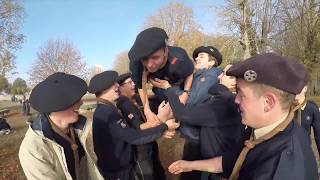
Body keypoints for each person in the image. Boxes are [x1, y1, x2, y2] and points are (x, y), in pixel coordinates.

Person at [168, 53, 319, 180]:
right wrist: (189, 165)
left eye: (242, 94)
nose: (236, 99)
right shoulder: (268, 131)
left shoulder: (279, 169)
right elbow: (233, 160)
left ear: (268, 102)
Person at [151, 65, 243, 180]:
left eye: (224, 74)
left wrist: (168, 88)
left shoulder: (224, 103)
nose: (219, 75)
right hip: (215, 164)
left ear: (234, 81)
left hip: (219, 169)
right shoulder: (229, 100)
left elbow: (182, 113)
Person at [89, 70, 179, 180]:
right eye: (114, 84)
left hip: (121, 168)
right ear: (104, 89)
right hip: (118, 172)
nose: (117, 85)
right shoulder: (107, 113)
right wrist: (164, 126)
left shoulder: (107, 109)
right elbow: (134, 137)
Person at [19, 72, 103, 180]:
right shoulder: (32, 149)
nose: (80, 103)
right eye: (74, 100)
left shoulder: (82, 127)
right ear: (56, 106)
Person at [128, 27, 194, 123]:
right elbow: (140, 87)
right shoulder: (137, 64)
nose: (149, 64)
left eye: (155, 57)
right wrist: (147, 110)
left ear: (165, 51)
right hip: (160, 88)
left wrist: (185, 94)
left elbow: (189, 73)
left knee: (189, 102)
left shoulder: (179, 57)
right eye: (145, 59)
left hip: (180, 82)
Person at [117, 72, 169, 180]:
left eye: (133, 81)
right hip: (140, 148)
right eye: (129, 82)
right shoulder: (123, 104)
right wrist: (162, 122)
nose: (133, 84)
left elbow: (146, 100)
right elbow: (138, 127)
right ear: (121, 88)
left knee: (157, 169)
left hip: (150, 140)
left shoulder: (135, 97)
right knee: (147, 174)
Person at [294, 72, 320, 156]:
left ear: (305, 89)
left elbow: (318, 136)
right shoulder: (285, 107)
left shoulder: (311, 108)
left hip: (304, 150)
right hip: (286, 150)